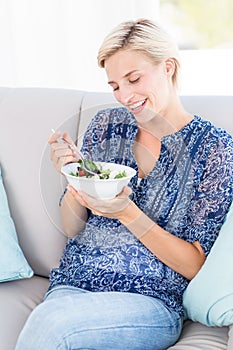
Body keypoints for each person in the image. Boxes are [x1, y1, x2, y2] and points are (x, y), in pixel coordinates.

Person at [15, 19, 233, 350]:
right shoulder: (106, 126)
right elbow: (72, 227)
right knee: (53, 322)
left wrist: (127, 213)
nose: (125, 96)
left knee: (51, 324)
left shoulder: (214, 149)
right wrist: (76, 176)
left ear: (168, 67)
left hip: (147, 299)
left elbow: (195, 265)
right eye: (115, 85)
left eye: (134, 79)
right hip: (73, 284)